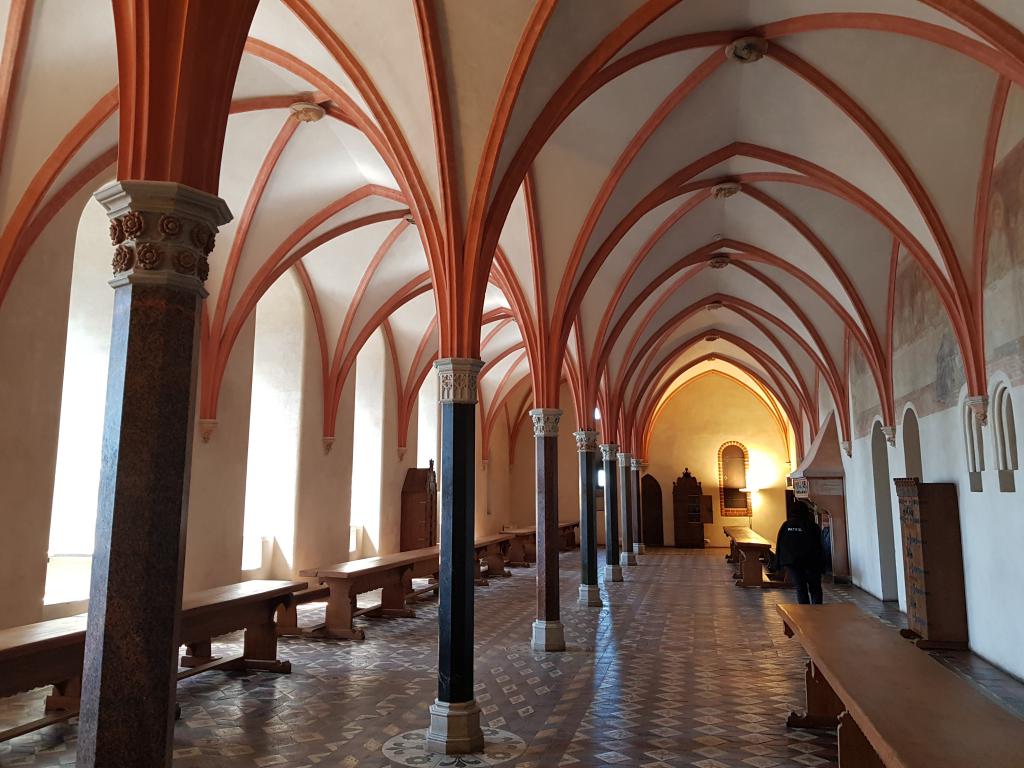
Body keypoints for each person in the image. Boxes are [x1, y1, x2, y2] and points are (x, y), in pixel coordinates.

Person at [776, 499, 824, 604]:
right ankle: (819, 612)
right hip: (811, 562)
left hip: (792, 562)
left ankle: (804, 614)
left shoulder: (786, 525)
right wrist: (823, 565)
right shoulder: (812, 526)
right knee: (815, 587)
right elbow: (819, 546)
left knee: (800, 587)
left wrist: (778, 564)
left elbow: (780, 544)